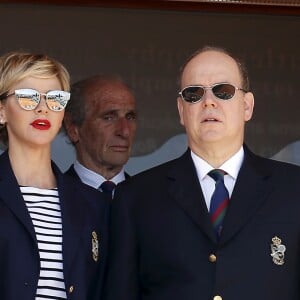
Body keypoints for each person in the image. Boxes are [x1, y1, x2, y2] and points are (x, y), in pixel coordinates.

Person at [103, 46, 300, 300]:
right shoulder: (136, 198)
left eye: (224, 91)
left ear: (247, 106)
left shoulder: (293, 189)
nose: (209, 101)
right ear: (181, 110)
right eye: (193, 94)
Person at [0, 51, 109, 300]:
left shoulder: (93, 204)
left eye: (55, 99)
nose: (43, 108)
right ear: (2, 112)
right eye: (28, 98)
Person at [63, 75, 137, 193]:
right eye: (108, 118)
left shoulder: (151, 199)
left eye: (130, 117)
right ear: (73, 128)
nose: (125, 131)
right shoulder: (52, 197)